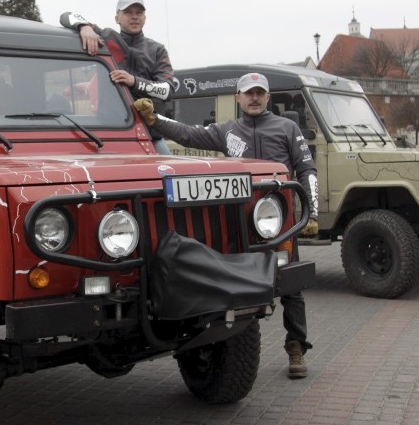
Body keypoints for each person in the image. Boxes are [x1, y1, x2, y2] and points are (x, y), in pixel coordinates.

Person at [134, 72, 319, 379]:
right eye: (249, 93)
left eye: (260, 93)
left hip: (277, 224)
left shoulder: (287, 127)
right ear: (238, 98)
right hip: (238, 225)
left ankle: (296, 347)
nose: (255, 98)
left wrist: (311, 214)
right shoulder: (226, 130)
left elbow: (306, 168)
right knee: (236, 282)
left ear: (268, 97)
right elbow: (188, 134)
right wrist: (155, 120)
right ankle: (231, 349)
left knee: (291, 287)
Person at [60, 0, 174, 154]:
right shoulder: (105, 38)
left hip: (151, 137)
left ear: (145, 18)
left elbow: (168, 90)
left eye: (139, 12)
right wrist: (84, 27)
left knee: (168, 173)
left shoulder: (157, 50)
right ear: (117, 18)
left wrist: (134, 81)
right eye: (128, 12)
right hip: (112, 135)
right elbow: (66, 16)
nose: (134, 16)